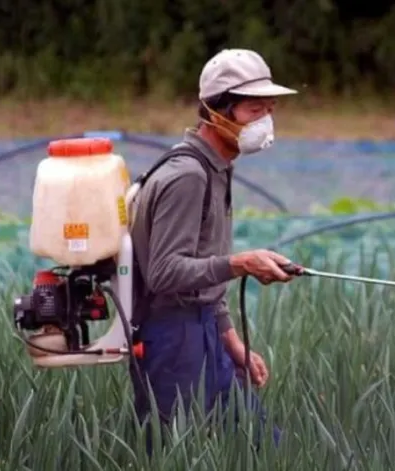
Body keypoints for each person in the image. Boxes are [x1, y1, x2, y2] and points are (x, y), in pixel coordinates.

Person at [126, 48, 298, 448]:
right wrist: (241, 263)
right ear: (217, 111)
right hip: (171, 337)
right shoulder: (187, 176)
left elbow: (203, 267)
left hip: (204, 329)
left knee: (266, 448)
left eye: (269, 110)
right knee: (177, 453)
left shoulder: (217, 168)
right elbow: (165, 273)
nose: (265, 121)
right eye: (254, 110)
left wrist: (231, 342)